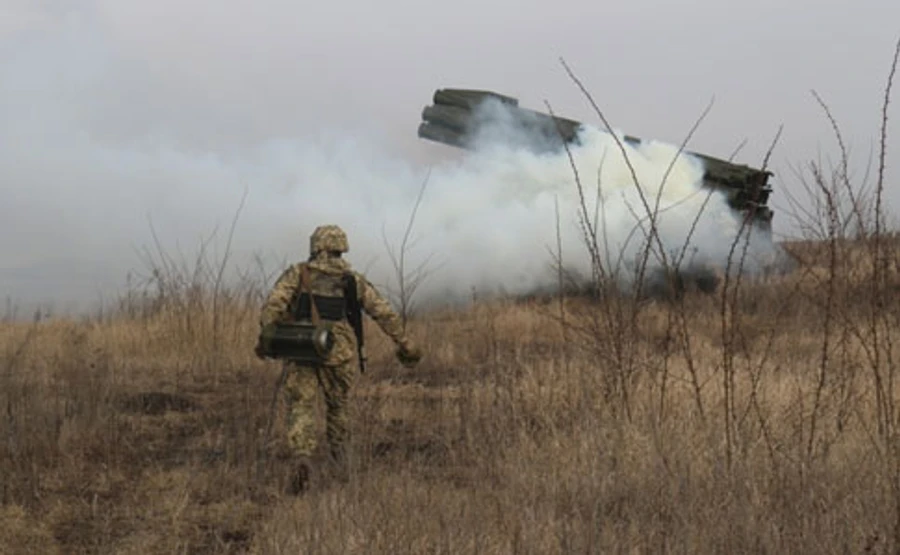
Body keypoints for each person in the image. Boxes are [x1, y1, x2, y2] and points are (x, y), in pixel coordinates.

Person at [254, 224, 423, 494]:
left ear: (316, 246)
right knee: (339, 407)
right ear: (341, 247)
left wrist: (268, 337)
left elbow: (273, 305)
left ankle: (302, 457)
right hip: (339, 351)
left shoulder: (299, 274)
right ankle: (341, 460)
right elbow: (383, 312)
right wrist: (405, 345)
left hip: (304, 347)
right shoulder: (352, 280)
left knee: (301, 405)